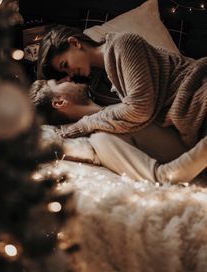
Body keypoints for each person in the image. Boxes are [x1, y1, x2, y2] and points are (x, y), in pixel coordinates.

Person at [37, 24, 207, 148]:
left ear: (74, 43)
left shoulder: (123, 43)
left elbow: (140, 108)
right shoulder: (98, 85)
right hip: (191, 120)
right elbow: (117, 114)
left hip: (199, 92)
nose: (70, 73)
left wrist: (84, 125)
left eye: (65, 64)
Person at [29, 79, 207, 184]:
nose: (67, 77)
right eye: (59, 82)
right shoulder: (102, 138)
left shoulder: (125, 102)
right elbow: (162, 177)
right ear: (60, 102)